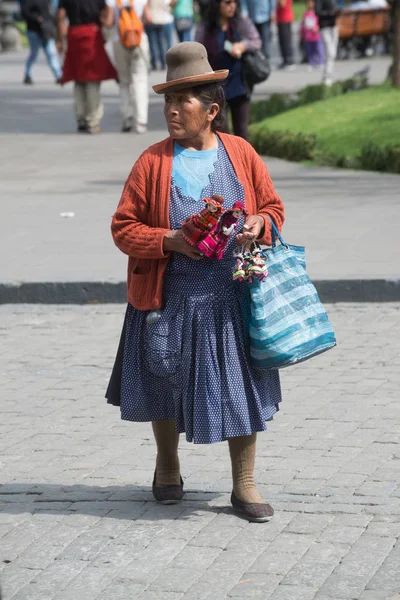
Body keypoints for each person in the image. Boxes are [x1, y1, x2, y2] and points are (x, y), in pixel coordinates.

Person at [106, 41, 285, 523]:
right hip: (169, 297)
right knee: (163, 382)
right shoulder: (152, 162)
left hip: (231, 298)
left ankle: (244, 484)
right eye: (167, 100)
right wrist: (168, 240)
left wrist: (259, 224)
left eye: (182, 100)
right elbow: (123, 227)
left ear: (211, 109)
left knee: (241, 385)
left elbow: (273, 208)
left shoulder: (241, 153)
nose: (171, 110)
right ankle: (167, 467)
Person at [195, 0, 261, 140]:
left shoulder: (240, 22)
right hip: (215, 87)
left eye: (234, 2)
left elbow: (256, 41)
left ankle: (244, 161)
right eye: (227, 2)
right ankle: (227, 162)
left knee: (242, 132)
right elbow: (197, 49)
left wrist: (243, 46)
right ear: (217, 5)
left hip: (239, 84)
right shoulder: (206, 26)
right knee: (222, 134)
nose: (232, 6)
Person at [56, 0, 117, 133]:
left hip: (74, 34)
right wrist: (104, 22)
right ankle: (93, 120)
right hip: (92, 34)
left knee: (78, 79)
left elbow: (60, 16)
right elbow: (108, 9)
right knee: (92, 79)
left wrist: (60, 39)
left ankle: (81, 118)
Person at [106, 0, 150, 133]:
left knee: (124, 81)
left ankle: (126, 118)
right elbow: (148, 18)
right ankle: (141, 121)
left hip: (119, 41)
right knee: (140, 80)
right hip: (139, 41)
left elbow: (109, 23)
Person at [21, 0, 62, 84]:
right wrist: (36, 18)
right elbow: (24, 12)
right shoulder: (29, 2)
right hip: (34, 30)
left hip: (46, 30)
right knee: (34, 54)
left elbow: (51, 13)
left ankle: (59, 76)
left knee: (51, 53)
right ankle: (27, 74)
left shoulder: (48, 1)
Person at [144, 0, 174, 70]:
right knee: (161, 43)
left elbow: (146, 6)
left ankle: (154, 63)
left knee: (153, 43)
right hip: (161, 20)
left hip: (151, 19)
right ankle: (163, 63)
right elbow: (167, 6)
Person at [315, 0, 338, 85]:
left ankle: (330, 74)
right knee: (330, 52)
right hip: (324, 27)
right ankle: (327, 76)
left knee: (333, 53)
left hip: (333, 26)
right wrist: (329, 13)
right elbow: (317, 12)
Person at [300, 0, 324, 68]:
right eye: (308, 3)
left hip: (316, 35)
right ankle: (311, 62)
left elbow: (319, 22)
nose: (309, 5)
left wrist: (317, 28)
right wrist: (301, 34)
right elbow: (303, 24)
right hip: (308, 35)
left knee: (318, 49)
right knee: (310, 51)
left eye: (311, 3)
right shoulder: (305, 14)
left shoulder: (317, 13)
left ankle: (320, 61)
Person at [276, 0, 295, 69]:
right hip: (281, 18)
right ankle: (285, 60)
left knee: (286, 41)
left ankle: (289, 61)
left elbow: (282, 3)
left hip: (284, 18)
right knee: (283, 41)